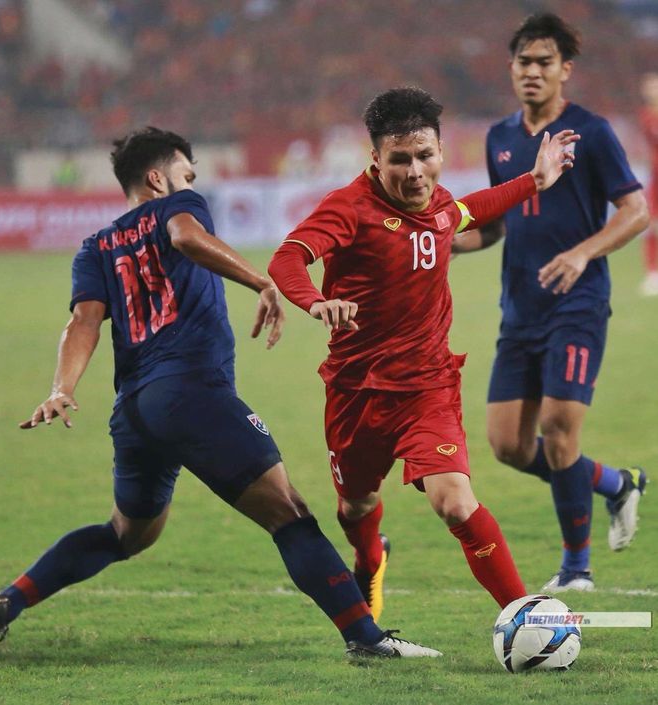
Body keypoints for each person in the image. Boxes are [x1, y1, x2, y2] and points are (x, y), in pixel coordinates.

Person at [0, 127, 436, 660]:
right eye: (187, 174)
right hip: (192, 394)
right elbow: (185, 235)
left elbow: (83, 323)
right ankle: (368, 640)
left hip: (136, 410)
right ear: (158, 178)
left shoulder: (95, 247)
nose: (191, 183)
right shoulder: (178, 206)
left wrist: (61, 388)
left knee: (126, 534)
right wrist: (262, 281)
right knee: (290, 514)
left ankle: (6, 602)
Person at [268, 86, 579, 621]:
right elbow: (288, 258)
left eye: (426, 156)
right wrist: (316, 301)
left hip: (427, 386)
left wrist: (534, 181)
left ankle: (526, 617)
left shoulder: (435, 201)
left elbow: (464, 211)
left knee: (455, 501)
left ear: (440, 151)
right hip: (356, 391)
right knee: (356, 505)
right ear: (375, 157)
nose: (416, 172)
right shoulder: (348, 209)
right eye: (400, 159)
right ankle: (371, 557)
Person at [451, 14, 649, 591]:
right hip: (519, 310)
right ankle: (615, 484)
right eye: (523, 61)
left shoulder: (592, 132)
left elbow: (636, 211)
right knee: (509, 446)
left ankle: (575, 568)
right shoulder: (500, 138)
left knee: (560, 430)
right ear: (511, 69)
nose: (532, 71)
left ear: (565, 70)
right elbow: (493, 226)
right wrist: (443, 245)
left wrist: (584, 253)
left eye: (544, 62)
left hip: (577, 303)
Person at [638, 71, 658, 296]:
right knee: (651, 224)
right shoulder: (645, 116)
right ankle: (652, 274)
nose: (651, 91)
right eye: (649, 88)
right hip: (656, 176)